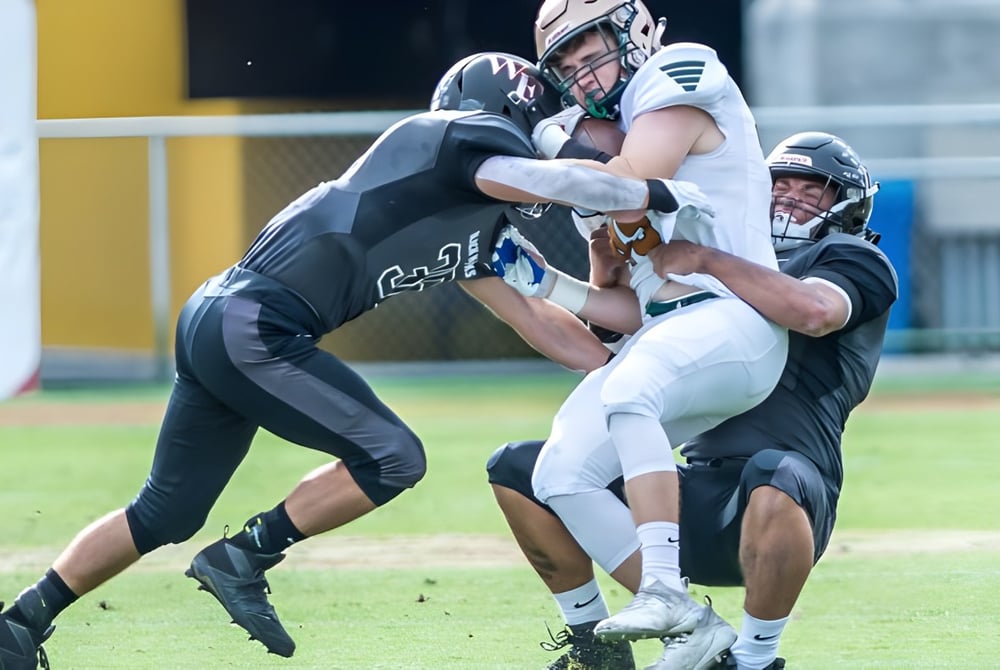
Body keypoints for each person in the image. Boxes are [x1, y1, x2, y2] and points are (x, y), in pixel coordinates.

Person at [0, 51, 717, 669]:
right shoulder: (457, 141)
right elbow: (547, 181)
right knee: (394, 457)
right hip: (256, 321)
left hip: (228, 319)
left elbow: (539, 322)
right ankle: (246, 554)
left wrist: (626, 371)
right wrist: (654, 191)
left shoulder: (472, 223)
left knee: (165, 510)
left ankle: (19, 623)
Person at [487, 131, 898, 669]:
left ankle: (754, 659)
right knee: (521, 468)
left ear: (844, 206)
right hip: (690, 492)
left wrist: (706, 258)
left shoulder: (848, 257)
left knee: (776, 473)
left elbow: (814, 311)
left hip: (786, 496)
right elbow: (615, 343)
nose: (791, 198)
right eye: (781, 185)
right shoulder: (727, 256)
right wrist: (568, 274)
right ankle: (594, 645)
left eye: (812, 189)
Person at [500, 0, 789, 660]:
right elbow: (636, 309)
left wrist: (544, 139)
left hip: (741, 319)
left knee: (632, 387)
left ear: (633, 30)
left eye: (590, 50)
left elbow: (631, 183)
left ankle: (659, 585)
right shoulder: (594, 157)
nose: (583, 74)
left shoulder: (680, 70)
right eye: (567, 67)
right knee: (561, 473)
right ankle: (694, 627)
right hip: (676, 334)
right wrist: (546, 283)